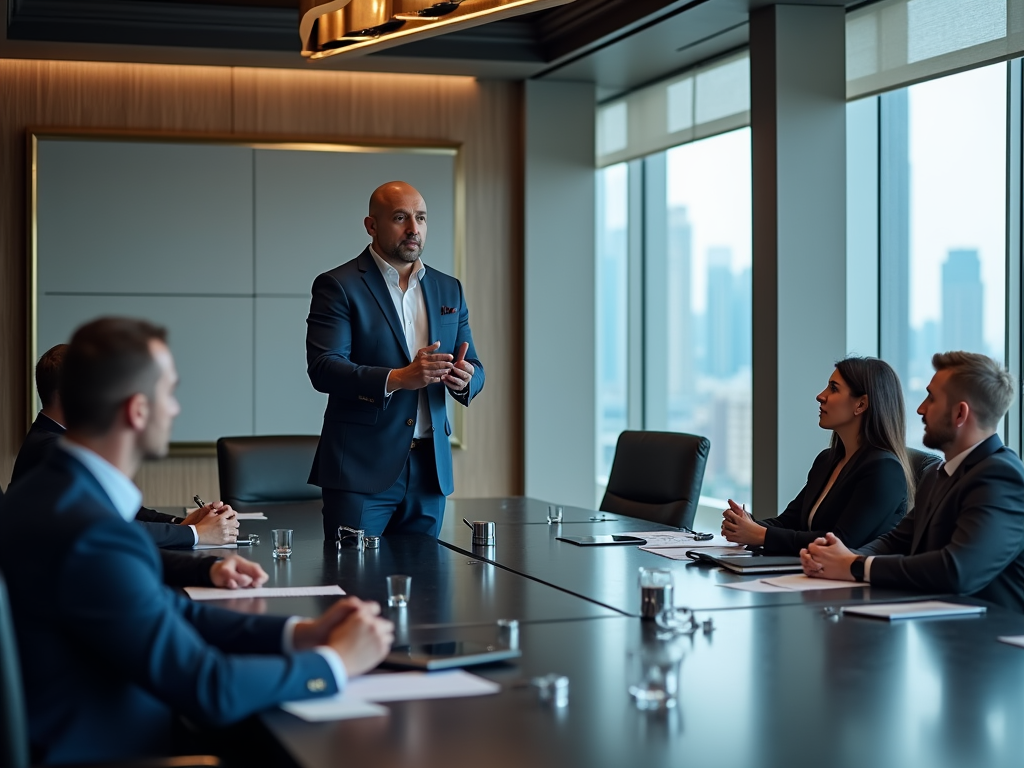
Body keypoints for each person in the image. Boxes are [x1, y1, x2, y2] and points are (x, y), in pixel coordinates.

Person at [0, 317, 393, 763]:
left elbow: (169, 611)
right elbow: (210, 687)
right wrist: (336, 662)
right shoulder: (91, 531)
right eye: (169, 392)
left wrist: (302, 633)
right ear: (137, 410)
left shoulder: (53, 493)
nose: (176, 409)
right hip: (116, 751)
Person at [306, 181, 485, 540]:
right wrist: (400, 378)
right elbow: (324, 368)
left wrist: (466, 379)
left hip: (430, 471)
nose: (413, 229)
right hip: (361, 469)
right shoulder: (338, 285)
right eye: (400, 218)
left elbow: (476, 367)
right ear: (371, 226)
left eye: (420, 218)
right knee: (356, 584)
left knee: (426, 590)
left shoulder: (450, 289)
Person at [802, 351, 1024, 612]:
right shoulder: (937, 474)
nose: (920, 409)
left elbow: (956, 571)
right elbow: (896, 540)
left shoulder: (1000, 477)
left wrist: (855, 566)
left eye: (931, 398)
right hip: (941, 631)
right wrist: (843, 556)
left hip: (990, 642)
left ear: (960, 414)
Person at [12, 343, 240, 548]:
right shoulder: (53, 451)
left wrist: (184, 524)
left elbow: (119, 511)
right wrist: (196, 534)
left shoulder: (61, 441)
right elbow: (112, 527)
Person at [721, 357, 914, 555]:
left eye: (834, 388)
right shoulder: (827, 460)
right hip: (810, 575)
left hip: (852, 584)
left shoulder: (884, 470)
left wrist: (761, 535)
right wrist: (745, 524)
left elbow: (841, 542)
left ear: (861, 404)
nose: (821, 396)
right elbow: (790, 522)